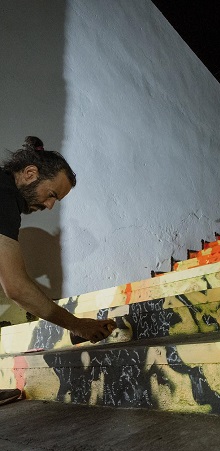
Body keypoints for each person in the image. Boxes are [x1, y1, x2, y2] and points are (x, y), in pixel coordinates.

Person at [0, 136, 117, 405]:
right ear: (30, 173)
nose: (50, 205)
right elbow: (16, 286)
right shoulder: (4, 197)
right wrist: (77, 324)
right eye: (51, 194)